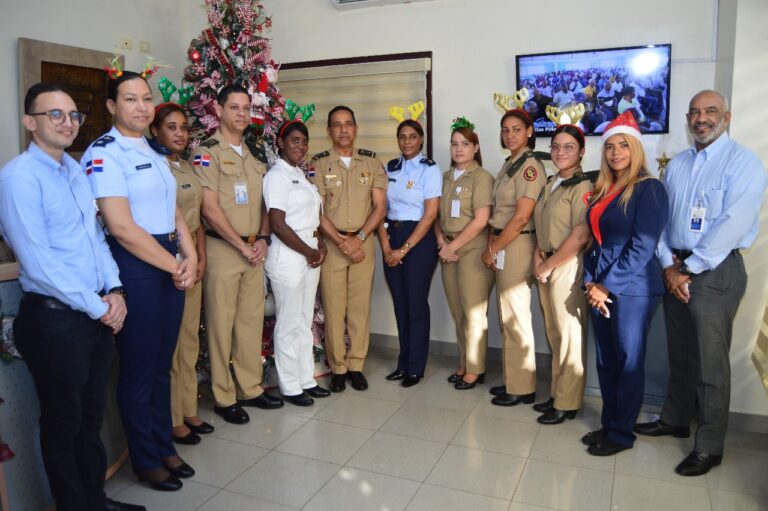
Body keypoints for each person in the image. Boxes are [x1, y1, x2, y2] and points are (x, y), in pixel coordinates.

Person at [0, 84, 144, 511]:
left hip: (93, 315)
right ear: (30, 122)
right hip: (54, 321)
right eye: (55, 115)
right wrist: (102, 306)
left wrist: (115, 290)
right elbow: (39, 262)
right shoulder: (18, 178)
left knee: (89, 418)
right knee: (62, 423)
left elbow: (97, 240)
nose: (68, 123)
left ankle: (95, 499)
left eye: (73, 115)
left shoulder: (75, 170)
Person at [635, 90, 767, 476]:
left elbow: (732, 226)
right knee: (681, 355)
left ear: (727, 117)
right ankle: (675, 418)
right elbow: (662, 220)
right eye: (694, 112)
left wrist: (687, 269)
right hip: (675, 266)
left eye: (710, 111)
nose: (701, 117)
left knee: (711, 365)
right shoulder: (677, 164)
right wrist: (668, 265)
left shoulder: (743, 163)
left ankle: (709, 445)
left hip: (716, 273)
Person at [82, 71, 198, 490]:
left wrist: (190, 253)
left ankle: (163, 444)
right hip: (136, 265)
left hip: (169, 259)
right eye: (130, 99)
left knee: (161, 364)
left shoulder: (153, 148)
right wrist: (174, 264)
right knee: (138, 367)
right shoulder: (105, 153)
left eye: (146, 98)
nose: (141, 106)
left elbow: (174, 210)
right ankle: (146, 459)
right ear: (112, 106)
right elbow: (121, 226)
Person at [191, 84, 284, 425]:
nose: (243, 114)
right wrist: (241, 245)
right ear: (219, 110)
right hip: (222, 250)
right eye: (235, 107)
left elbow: (263, 203)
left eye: (247, 108)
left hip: (253, 250)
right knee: (220, 325)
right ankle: (223, 395)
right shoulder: (207, 153)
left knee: (249, 322)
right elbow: (210, 209)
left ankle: (250, 387)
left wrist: (261, 238)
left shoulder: (254, 156)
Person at [580, 111, 668, 456]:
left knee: (629, 360)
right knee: (607, 359)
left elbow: (642, 246)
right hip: (601, 283)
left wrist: (606, 285)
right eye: (610, 147)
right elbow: (595, 241)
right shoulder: (605, 189)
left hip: (632, 288)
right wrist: (591, 282)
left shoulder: (650, 189)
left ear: (636, 149)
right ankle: (610, 423)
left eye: (623, 146)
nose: (616, 153)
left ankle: (621, 434)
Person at [310, 106, 387, 393]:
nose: (343, 130)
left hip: (364, 244)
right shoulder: (318, 164)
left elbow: (380, 207)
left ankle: (356, 365)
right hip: (333, 245)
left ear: (356, 128)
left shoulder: (371, 162)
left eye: (348, 124)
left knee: (359, 310)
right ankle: (338, 367)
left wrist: (361, 236)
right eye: (337, 125)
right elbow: (316, 211)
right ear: (328, 131)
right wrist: (343, 242)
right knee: (333, 308)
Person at [148, 103, 212, 445]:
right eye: (171, 127)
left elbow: (197, 219)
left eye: (184, 128)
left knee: (189, 340)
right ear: (155, 129)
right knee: (169, 345)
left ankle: (187, 407)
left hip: (191, 261)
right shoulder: (150, 167)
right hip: (165, 262)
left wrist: (200, 257)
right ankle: (171, 418)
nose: (180, 133)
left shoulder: (186, 167)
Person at [263, 120, 331, 406]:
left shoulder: (301, 176)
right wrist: (308, 250)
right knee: (289, 322)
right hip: (289, 256)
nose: (300, 146)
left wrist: (320, 244)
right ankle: (289, 386)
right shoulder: (276, 176)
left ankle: (305, 379)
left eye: (303, 141)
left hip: (308, 253)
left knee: (304, 320)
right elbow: (277, 224)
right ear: (280, 143)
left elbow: (311, 219)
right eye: (293, 140)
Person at [531, 124, 593, 424]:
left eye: (569, 147)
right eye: (555, 146)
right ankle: (557, 393)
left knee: (569, 336)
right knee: (554, 333)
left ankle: (568, 403)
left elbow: (580, 236)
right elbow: (541, 225)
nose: (560, 152)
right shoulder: (552, 182)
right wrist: (537, 257)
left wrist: (548, 264)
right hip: (546, 262)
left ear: (582, 151)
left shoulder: (583, 186)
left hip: (567, 265)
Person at [483, 110, 546, 403]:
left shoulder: (530, 167)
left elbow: (521, 217)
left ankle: (522, 388)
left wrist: (493, 248)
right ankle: (513, 380)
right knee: (507, 315)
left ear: (530, 131)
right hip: (505, 242)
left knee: (516, 316)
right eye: (505, 130)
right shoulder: (510, 164)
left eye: (516, 130)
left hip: (517, 244)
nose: (510, 135)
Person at [377, 119, 442, 387]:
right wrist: (386, 247)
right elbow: (380, 210)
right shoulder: (389, 168)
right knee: (400, 304)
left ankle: (416, 366)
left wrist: (403, 250)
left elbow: (430, 216)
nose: (407, 141)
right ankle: (403, 364)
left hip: (419, 240)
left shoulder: (430, 169)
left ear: (421, 139)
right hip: (392, 234)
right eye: (402, 137)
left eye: (412, 137)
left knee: (415, 304)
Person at [435, 117, 494, 390]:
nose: (458, 149)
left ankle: (476, 368)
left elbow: (481, 220)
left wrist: (452, 247)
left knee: (474, 313)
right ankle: (463, 362)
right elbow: (437, 216)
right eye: (454, 144)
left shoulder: (482, 177)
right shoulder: (445, 178)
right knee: (458, 311)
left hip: (471, 248)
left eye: (465, 144)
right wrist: (441, 243)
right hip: (447, 249)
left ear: (475, 147)